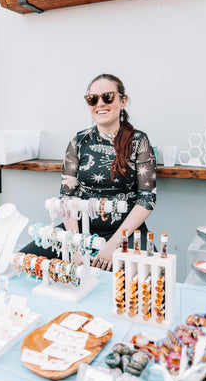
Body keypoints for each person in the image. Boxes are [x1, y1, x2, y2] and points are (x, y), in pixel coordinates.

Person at [20, 74, 156, 270]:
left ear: (122, 101)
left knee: (147, 287)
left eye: (107, 97)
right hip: (80, 231)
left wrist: (111, 247)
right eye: (92, 99)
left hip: (124, 233)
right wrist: (76, 246)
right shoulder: (79, 141)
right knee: (24, 262)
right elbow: (66, 197)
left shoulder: (139, 141)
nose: (100, 103)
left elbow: (147, 199)